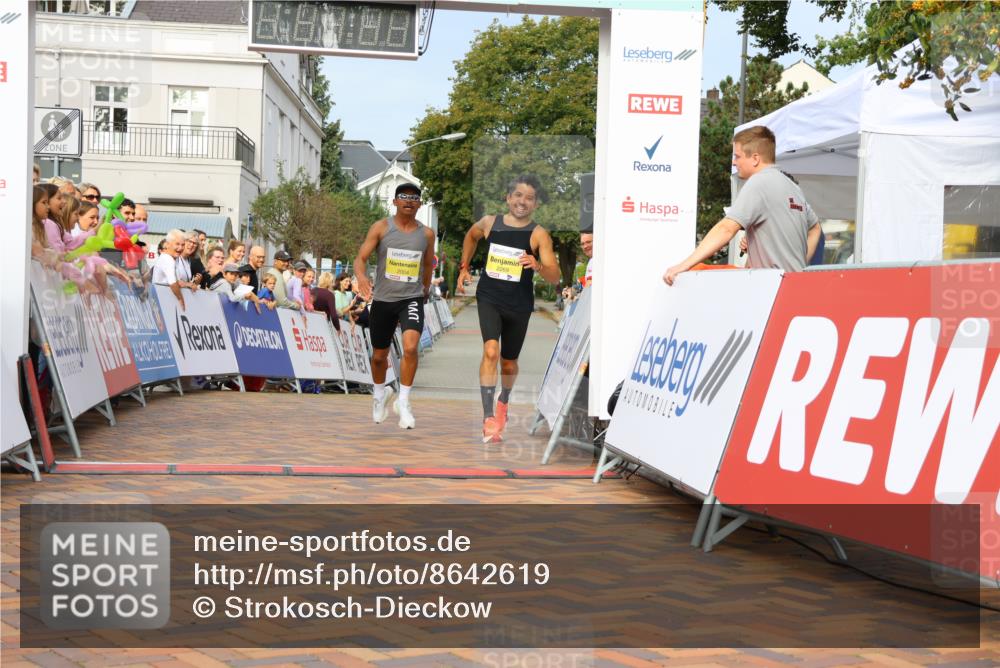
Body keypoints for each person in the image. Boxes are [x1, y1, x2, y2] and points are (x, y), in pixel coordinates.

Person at [457, 174, 560, 443]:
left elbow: (555, 276)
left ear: (535, 203)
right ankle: (488, 416)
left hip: (519, 304)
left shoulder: (539, 235)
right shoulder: (490, 223)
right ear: (508, 198)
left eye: (529, 198)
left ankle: (504, 401)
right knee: (491, 351)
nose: (522, 202)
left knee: (509, 363)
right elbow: (471, 236)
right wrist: (464, 267)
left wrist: (537, 265)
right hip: (490, 296)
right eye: (518, 196)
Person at [663, 126, 821, 285]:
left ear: (755, 158)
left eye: (737, 156)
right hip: (794, 286)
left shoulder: (759, 182)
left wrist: (684, 265)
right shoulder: (794, 188)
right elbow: (815, 229)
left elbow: (726, 229)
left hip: (771, 289)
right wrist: (797, 266)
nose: (734, 162)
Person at [354, 183, 435, 430]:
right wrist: (362, 277)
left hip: (411, 298)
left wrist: (425, 288)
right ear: (395, 202)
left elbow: (429, 264)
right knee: (379, 356)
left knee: (410, 348)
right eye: (404, 197)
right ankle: (380, 394)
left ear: (420, 204)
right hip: (383, 300)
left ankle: (404, 401)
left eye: (414, 198)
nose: (409, 201)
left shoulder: (427, 234)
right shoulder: (381, 227)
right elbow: (360, 258)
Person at [152, 229, 196, 308]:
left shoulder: (168, 258)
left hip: (162, 300)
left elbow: (174, 281)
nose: (180, 248)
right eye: (177, 244)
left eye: (183, 245)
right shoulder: (168, 259)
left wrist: (187, 284)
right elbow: (172, 283)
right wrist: (180, 299)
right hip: (163, 302)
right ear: (168, 244)